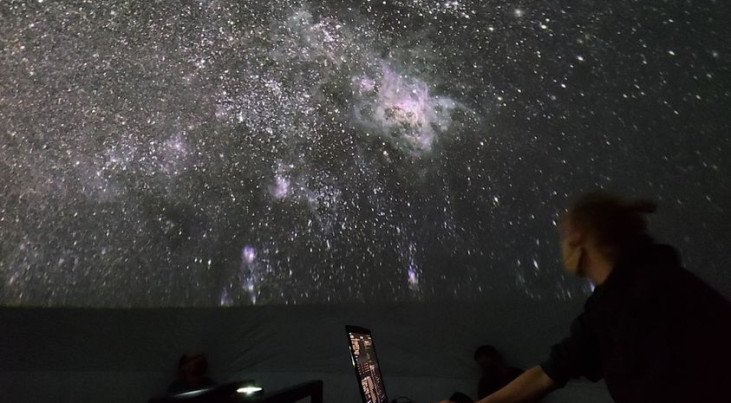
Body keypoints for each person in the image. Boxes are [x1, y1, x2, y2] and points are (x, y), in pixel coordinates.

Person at [437, 191, 731, 403]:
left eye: (563, 235)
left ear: (577, 238)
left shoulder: (646, 297)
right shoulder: (616, 301)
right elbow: (550, 372)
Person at [448, 345, 525, 403]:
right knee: (457, 397)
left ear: (496, 358)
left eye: (487, 364)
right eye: (483, 366)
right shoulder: (485, 382)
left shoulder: (515, 374)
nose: (486, 369)